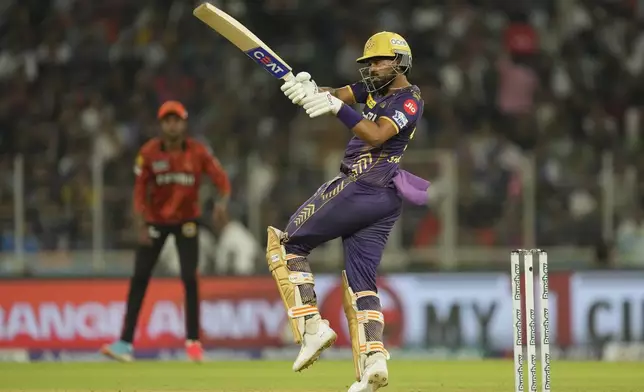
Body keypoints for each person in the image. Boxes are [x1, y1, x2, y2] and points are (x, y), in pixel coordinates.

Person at [267, 32, 429, 392]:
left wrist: (337, 108)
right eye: (369, 62)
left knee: (287, 243)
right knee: (361, 284)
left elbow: (375, 135)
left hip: (364, 184)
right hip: (384, 200)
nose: (372, 68)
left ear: (400, 62)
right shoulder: (372, 88)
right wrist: (308, 88)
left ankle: (311, 325)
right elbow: (336, 95)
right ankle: (373, 363)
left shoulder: (409, 99)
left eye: (379, 61)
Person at [101, 100, 231, 362]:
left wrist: (221, 203)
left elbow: (222, 181)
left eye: (177, 120)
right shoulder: (148, 153)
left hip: (187, 222)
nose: (172, 124)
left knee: (189, 279)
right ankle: (125, 344)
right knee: (139, 278)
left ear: (184, 123)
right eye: (167, 120)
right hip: (155, 222)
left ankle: (193, 343)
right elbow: (139, 191)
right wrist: (140, 224)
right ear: (161, 124)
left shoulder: (198, 151)